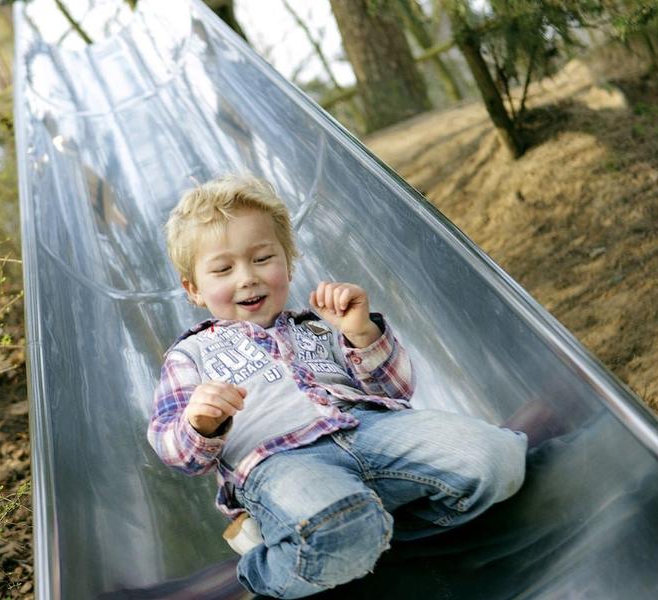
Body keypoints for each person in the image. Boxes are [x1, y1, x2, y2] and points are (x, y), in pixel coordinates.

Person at [148, 174, 527, 599]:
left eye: (263, 258)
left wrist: (361, 333)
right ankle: (267, 565)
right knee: (341, 530)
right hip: (280, 462)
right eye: (223, 269)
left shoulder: (319, 324)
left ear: (288, 263)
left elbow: (395, 391)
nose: (247, 278)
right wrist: (200, 423)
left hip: (370, 431)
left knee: (498, 458)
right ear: (193, 289)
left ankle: (374, 533)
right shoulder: (191, 354)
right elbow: (176, 451)